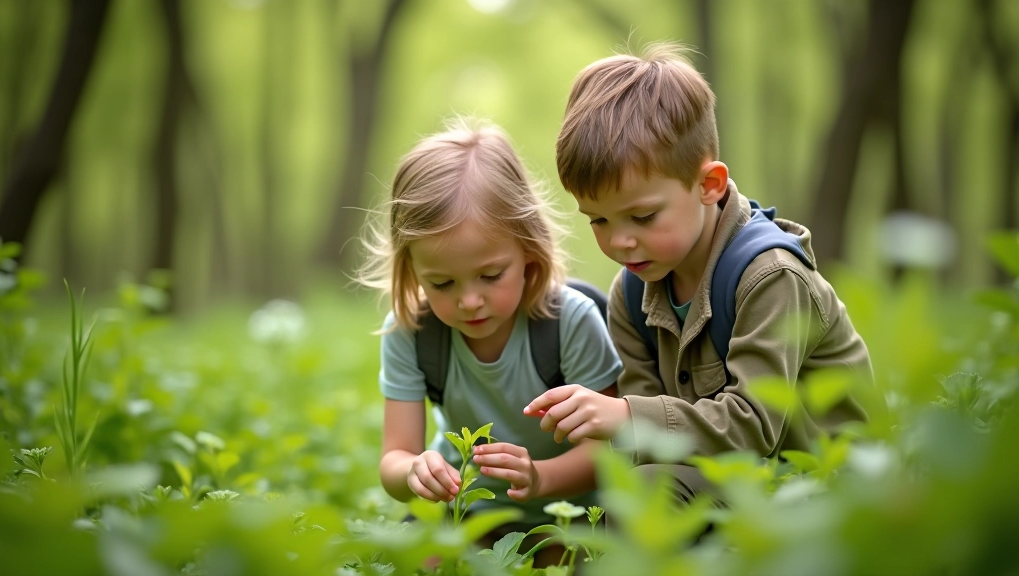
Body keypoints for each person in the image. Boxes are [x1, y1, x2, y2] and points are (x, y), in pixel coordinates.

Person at [525, 43, 874, 501]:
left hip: (823, 493)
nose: (620, 241)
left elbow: (754, 425)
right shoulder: (633, 294)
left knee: (652, 488)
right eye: (599, 220)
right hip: (729, 486)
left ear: (708, 185)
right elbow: (651, 453)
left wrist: (627, 416)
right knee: (634, 489)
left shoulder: (770, 277)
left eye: (643, 217)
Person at [360, 118, 622, 532]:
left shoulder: (569, 321)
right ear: (411, 270)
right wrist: (413, 472)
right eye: (441, 283)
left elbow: (609, 449)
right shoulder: (410, 332)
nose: (469, 301)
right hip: (463, 515)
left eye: (490, 275)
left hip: (568, 517)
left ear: (529, 252)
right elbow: (395, 458)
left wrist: (539, 478)